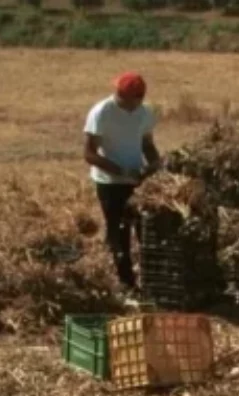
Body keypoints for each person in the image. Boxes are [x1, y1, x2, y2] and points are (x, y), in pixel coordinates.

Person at [83, 72, 161, 292]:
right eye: (118, 92)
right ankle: (126, 283)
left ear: (138, 98)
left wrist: (154, 164)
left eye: (123, 94)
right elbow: (89, 154)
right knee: (119, 232)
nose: (117, 96)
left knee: (145, 231)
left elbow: (147, 144)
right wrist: (119, 171)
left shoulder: (145, 113)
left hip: (137, 180)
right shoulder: (102, 112)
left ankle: (150, 281)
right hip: (109, 183)